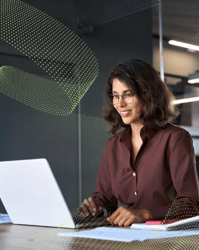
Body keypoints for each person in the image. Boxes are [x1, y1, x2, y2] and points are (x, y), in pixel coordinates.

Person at [77, 59, 199, 227]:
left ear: (147, 94)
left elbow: (191, 204)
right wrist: (95, 208)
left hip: (166, 236)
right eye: (116, 96)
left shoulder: (175, 138)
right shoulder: (113, 145)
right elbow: (105, 200)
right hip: (127, 235)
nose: (120, 104)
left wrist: (145, 214)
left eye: (128, 94)